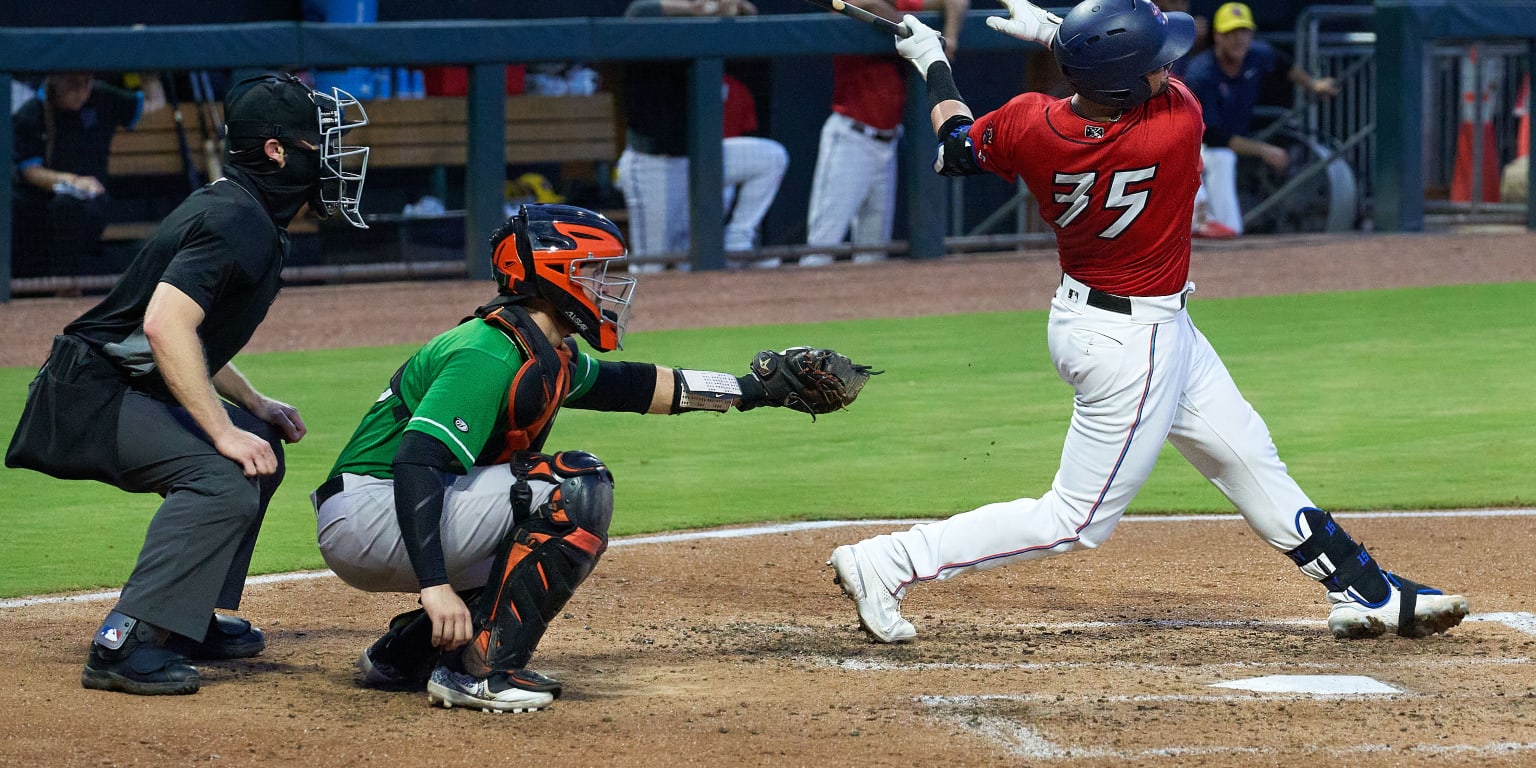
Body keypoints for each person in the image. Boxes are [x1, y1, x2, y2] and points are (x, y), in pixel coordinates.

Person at [826, 0, 1469, 646]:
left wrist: (932, 59)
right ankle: (888, 561)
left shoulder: (1028, 124)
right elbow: (1131, 76)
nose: (1167, 69)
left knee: (1245, 452)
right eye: (1153, 64)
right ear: (1126, 84)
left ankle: (1364, 591)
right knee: (1076, 519)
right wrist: (1056, 33)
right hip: (1135, 344)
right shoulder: (1174, 124)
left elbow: (956, 149)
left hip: (1108, 320)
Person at [313, 203, 865, 713]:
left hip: (386, 514)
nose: (606, 286)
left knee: (528, 528)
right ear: (554, 276)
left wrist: (751, 390)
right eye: (592, 271)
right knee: (572, 486)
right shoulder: (487, 351)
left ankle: (402, 656)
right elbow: (417, 462)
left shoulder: (540, 347)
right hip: (372, 512)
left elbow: (634, 386)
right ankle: (479, 672)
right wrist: (435, 587)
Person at [4, 72, 371, 696]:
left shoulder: (246, 210)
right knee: (224, 475)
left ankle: (185, 621)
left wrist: (252, 405)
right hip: (88, 397)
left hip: (118, 385)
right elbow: (165, 326)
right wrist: (222, 430)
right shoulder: (234, 218)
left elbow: (189, 337)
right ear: (278, 152)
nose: (331, 156)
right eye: (320, 142)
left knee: (259, 451)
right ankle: (125, 641)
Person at [616, 0, 788, 272]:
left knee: (769, 157)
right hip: (654, 165)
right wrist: (705, 8)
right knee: (651, 266)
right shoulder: (649, 21)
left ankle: (737, 241)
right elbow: (638, 12)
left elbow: (749, 14)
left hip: (701, 157)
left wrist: (729, 7)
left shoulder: (701, 25)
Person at [800, 0, 968, 268]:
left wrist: (951, 36)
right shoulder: (852, 5)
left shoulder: (903, 3)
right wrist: (908, 25)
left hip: (887, 141)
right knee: (822, 247)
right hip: (849, 138)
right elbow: (870, 6)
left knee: (873, 254)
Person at [1182, 2, 1340, 238]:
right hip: (1190, 144)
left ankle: (1223, 229)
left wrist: (1313, 84)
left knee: (1221, 161)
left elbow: (1283, 65)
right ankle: (1208, 225)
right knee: (1218, 159)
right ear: (1218, 36)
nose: (1239, 39)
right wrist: (1263, 150)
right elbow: (1213, 135)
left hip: (1224, 143)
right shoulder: (1202, 72)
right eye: (1231, 33)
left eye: (1244, 32)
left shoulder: (1256, 54)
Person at [10, 71, 165, 279]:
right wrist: (72, 181)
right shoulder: (32, 111)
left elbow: (153, 104)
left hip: (90, 204)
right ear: (54, 78)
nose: (80, 90)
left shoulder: (102, 96)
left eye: (86, 82)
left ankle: (65, 287)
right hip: (39, 203)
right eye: (72, 82)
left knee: (69, 207)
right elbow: (30, 170)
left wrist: (149, 74)